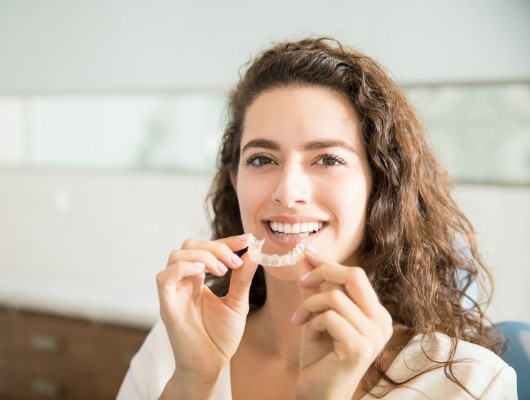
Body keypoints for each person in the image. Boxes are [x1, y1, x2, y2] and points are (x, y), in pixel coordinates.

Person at [117, 37, 517, 399]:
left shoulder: (468, 384)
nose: (288, 192)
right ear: (235, 181)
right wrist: (191, 384)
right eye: (262, 159)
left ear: (380, 186)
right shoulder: (177, 346)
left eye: (327, 159)